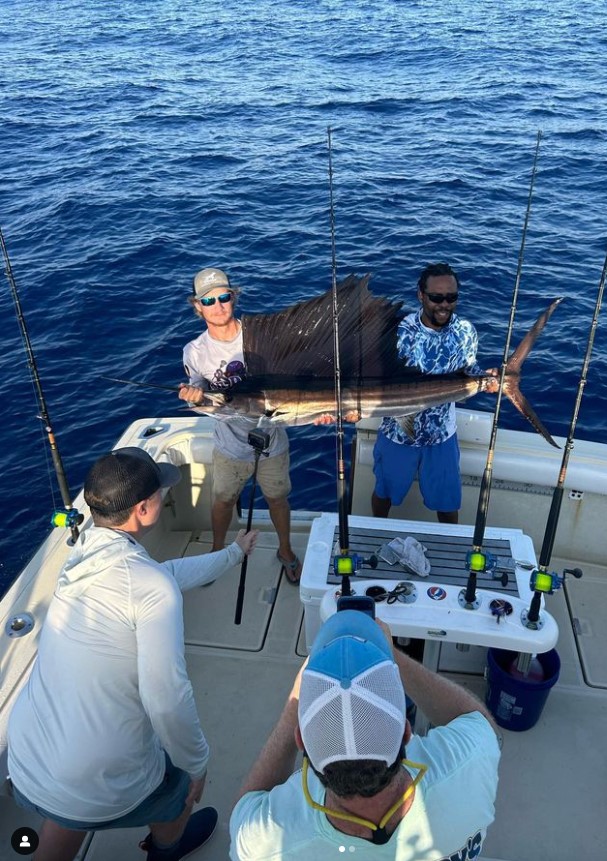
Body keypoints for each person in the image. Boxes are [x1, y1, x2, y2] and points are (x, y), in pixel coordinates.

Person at [7, 446, 257, 861]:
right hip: (95, 777)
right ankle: (166, 848)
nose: (164, 495)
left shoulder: (82, 558)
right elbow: (166, 699)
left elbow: (164, 575)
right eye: (160, 492)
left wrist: (233, 553)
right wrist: (197, 764)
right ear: (143, 509)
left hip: (29, 761)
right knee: (179, 791)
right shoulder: (148, 588)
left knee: (68, 801)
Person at [230, 610, 501, 860]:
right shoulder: (470, 761)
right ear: (406, 732)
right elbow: (478, 721)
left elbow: (245, 809)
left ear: (300, 740)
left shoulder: (263, 844)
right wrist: (392, 657)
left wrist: (296, 702)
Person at [179, 267, 302, 584]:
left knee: (277, 499)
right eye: (209, 301)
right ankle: (217, 553)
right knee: (223, 501)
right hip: (229, 446)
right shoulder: (195, 351)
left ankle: (285, 550)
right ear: (197, 306)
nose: (218, 306)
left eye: (223, 297)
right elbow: (200, 397)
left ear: (233, 297)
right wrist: (193, 398)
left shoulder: (261, 338)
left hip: (272, 441)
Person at [371, 262, 497, 523]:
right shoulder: (397, 331)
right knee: (384, 493)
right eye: (436, 298)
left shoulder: (465, 331)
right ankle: (376, 530)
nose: (444, 304)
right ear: (421, 295)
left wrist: (487, 380)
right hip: (397, 433)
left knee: (447, 504)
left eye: (451, 297)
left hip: (442, 436)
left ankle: (450, 543)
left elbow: (467, 374)